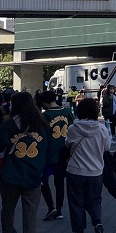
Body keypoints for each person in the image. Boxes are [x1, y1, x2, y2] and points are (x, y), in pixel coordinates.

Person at [0, 92, 52, 233]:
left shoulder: (9, 124)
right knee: (30, 211)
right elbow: (48, 150)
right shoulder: (42, 125)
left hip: (11, 174)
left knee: (8, 209)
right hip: (33, 174)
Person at [65, 97, 111, 233]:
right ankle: (97, 223)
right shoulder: (102, 128)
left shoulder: (73, 129)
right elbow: (107, 148)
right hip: (96, 171)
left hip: (76, 170)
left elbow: (68, 144)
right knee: (95, 200)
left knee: (76, 202)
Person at [39, 90, 73, 222]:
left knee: (44, 181)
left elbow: (41, 136)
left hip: (48, 154)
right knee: (59, 183)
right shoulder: (67, 112)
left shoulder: (45, 115)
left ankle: (50, 207)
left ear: (45, 103)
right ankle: (59, 209)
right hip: (64, 153)